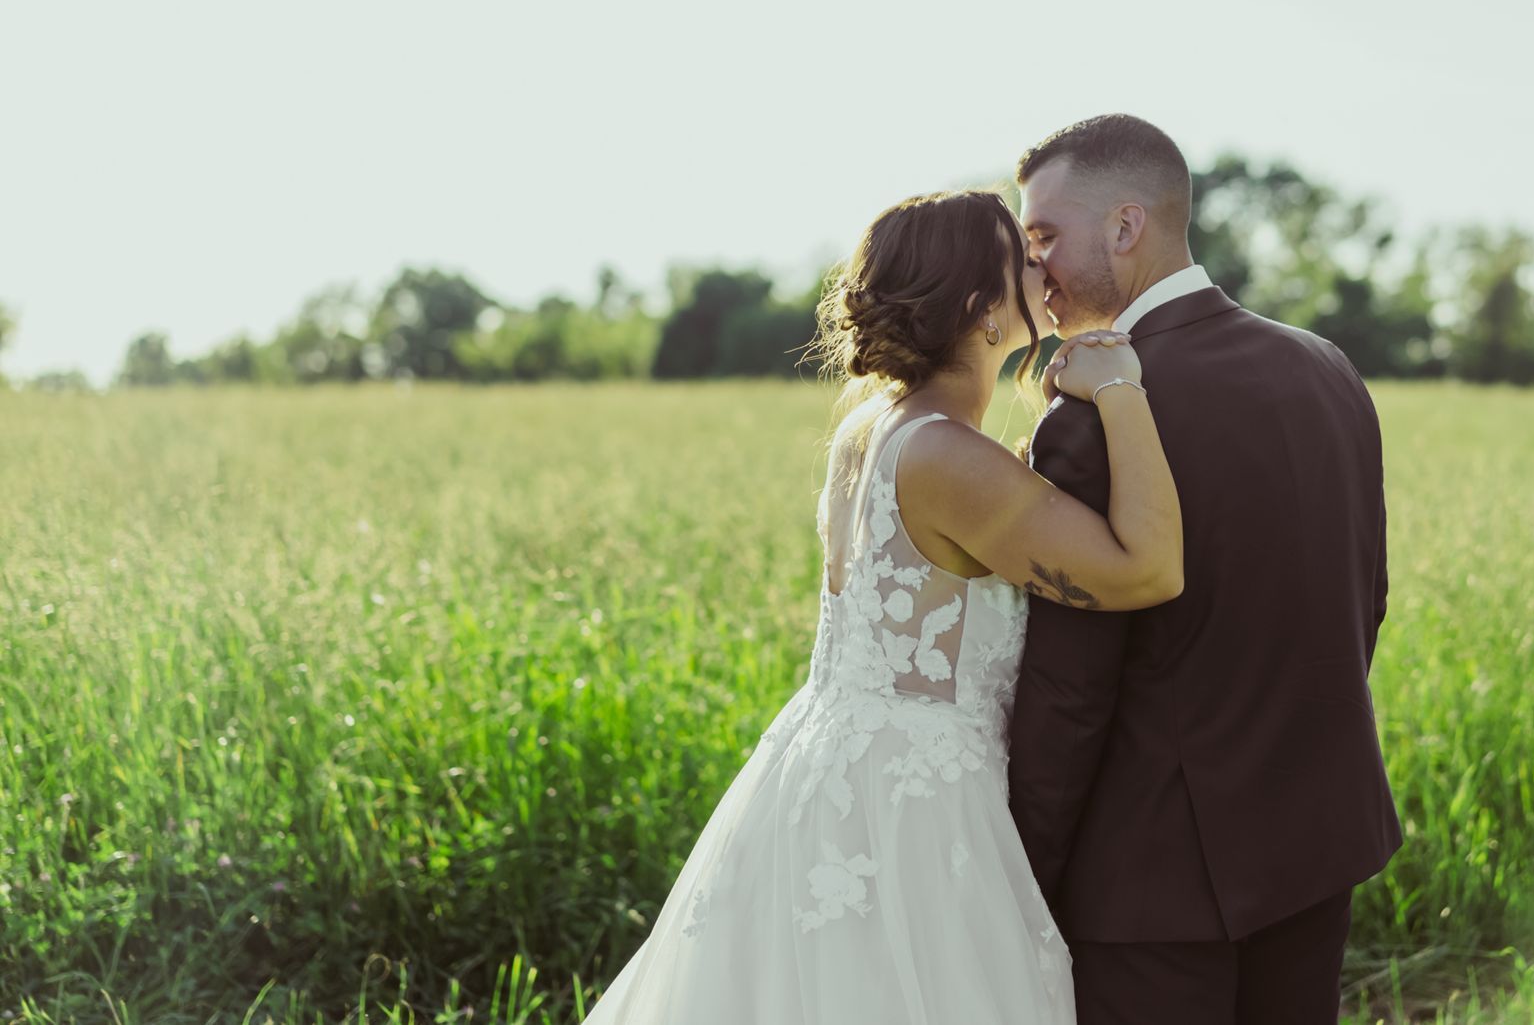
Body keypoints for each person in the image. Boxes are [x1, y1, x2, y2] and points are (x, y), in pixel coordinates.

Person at [580, 187, 1184, 1024]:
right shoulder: (947, 455)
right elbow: (1147, 569)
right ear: (981, 306)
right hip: (912, 811)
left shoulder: (871, 429)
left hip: (822, 766)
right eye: (1023, 254)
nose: (1042, 264)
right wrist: (1121, 387)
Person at [1008, 114, 1402, 1025]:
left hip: (1148, 882)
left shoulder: (1095, 414)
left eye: (1045, 236)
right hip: (1316, 844)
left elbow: (1071, 690)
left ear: (1124, 226)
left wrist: (1019, 870)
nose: (1036, 270)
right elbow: (1363, 600)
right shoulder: (1328, 368)